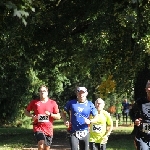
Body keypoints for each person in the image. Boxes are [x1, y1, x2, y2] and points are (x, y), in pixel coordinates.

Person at [24, 85, 61, 150]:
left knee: (46, 148)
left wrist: (50, 114)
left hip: (49, 129)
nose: (42, 92)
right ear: (39, 93)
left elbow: (58, 116)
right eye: (41, 91)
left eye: (44, 91)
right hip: (38, 127)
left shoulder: (53, 103)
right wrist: (32, 116)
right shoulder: (34, 102)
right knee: (41, 143)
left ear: (47, 92)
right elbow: (26, 112)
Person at [134, 80, 150, 149]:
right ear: (145, 89)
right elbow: (133, 113)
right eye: (148, 87)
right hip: (143, 135)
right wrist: (136, 119)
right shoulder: (140, 102)